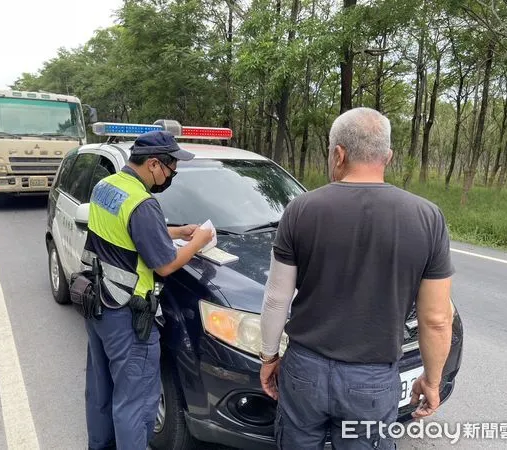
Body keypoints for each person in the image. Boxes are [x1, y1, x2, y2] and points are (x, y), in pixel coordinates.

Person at [259, 107, 455, 449]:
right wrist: (432, 380)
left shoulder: (301, 210)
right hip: (372, 380)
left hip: (305, 370)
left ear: (339, 153)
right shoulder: (427, 217)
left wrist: (268, 357)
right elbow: (437, 319)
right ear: (388, 156)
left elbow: (277, 297)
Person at [82, 130, 214, 450]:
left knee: (102, 389)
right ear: (154, 164)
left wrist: (177, 230)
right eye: (171, 168)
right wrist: (197, 241)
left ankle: (101, 445)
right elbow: (165, 265)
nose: (172, 175)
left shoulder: (107, 186)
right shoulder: (143, 202)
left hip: (97, 302)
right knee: (136, 400)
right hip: (129, 315)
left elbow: (131, 231)